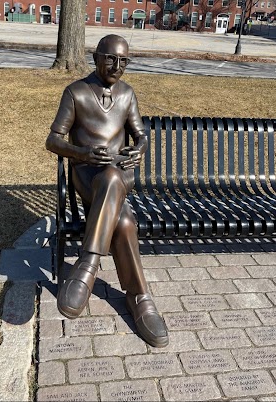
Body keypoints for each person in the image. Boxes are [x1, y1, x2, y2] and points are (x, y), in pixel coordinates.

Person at [45, 34, 169, 347]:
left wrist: (139, 148)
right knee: (125, 222)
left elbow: (140, 135)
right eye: (110, 58)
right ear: (96, 56)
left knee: (114, 176)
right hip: (87, 174)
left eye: (124, 60)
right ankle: (139, 297)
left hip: (120, 175)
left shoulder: (128, 94)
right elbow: (53, 140)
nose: (117, 66)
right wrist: (83, 154)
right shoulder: (75, 92)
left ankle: (88, 263)